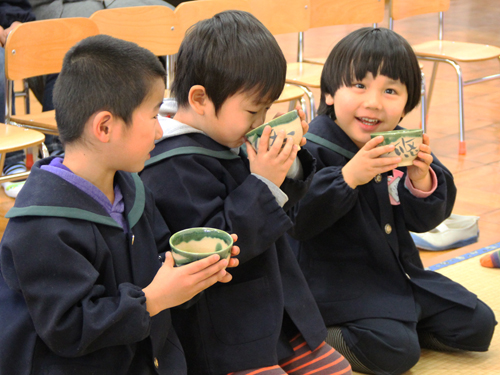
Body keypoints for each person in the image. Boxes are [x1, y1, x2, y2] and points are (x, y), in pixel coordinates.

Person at [0, 34, 240, 374]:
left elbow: (158, 262)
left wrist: (193, 272)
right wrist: (153, 300)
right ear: (105, 126)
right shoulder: (40, 225)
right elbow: (69, 329)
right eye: (154, 115)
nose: (160, 132)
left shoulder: (132, 188)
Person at [140, 10, 352, 375]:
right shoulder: (168, 163)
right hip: (223, 332)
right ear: (200, 98)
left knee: (337, 370)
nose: (260, 122)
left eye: (266, 110)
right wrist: (264, 182)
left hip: (277, 313)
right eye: (254, 110)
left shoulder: (225, 133)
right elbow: (216, 248)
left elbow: (287, 213)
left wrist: (288, 162)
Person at [287, 27, 497, 375]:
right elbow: (299, 220)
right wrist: (349, 176)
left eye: (390, 90)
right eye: (359, 86)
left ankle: (399, 326)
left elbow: (425, 221)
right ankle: (306, 338)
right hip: (333, 290)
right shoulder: (310, 149)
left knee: (478, 322)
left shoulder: (400, 143)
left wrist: (421, 180)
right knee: (396, 352)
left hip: (397, 278)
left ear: (407, 102)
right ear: (328, 93)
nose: (373, 102)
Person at [0, 0, 36, 198]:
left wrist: (17, 23)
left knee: (61, 57)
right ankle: (12, 161)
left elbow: (15, 4)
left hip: (10, 29)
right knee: (1, 66)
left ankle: (58, 148)